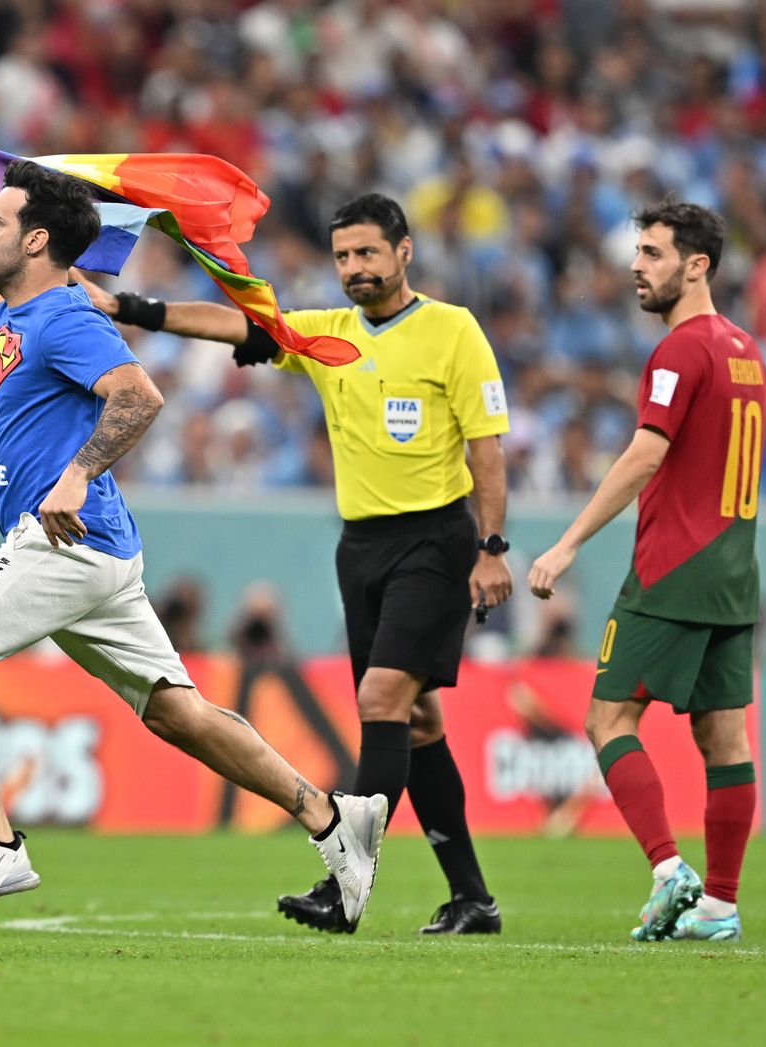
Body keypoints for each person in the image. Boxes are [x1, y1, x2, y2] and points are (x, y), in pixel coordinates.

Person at [0, 163, 388, 921]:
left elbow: (139, 395)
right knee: (175, 712)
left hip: (65, 540)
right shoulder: (21, 314)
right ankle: (330, 817)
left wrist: (77, 473)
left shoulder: (65, 318)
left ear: (36, 240)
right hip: (100, 551)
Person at [79, 193, 512, 935]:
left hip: (437, 541)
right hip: (362, 549)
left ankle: (342, 886)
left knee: (381, 701)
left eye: (368, 253)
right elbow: (234, 325)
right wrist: (126, 305)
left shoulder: (452, 331)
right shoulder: (329, 336)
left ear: (404, 252)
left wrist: (491, 547)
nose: (355, 268)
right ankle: (472, 896)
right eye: (344, 256)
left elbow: (487, 447)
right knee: (415, 722)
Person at [529, 200, 764, 943]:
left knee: (606, 718)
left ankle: (669, 871)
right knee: (724, 737)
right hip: (734, 573)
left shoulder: (680, 350)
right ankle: (720, 907)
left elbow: (646, 451)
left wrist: (567, 543)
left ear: (697, 266)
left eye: (655, 253)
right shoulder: (747, 349)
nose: (637, 265)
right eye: (638, 251)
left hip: (673, 569)